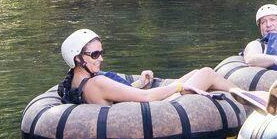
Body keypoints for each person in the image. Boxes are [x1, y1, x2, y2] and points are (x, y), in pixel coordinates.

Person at [55, 28, 235, 105]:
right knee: (206, 73)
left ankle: (243, 95)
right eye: (95, 54)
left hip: (137, 108)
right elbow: (147, 97)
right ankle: (246, 96)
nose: (101, 58)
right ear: (78, 59)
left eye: (101, 53)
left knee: (196, 73)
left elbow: (114, 96)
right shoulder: (96, 83)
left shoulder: (76, 85)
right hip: (154, 111)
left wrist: (140, 83)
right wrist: (179, 86)